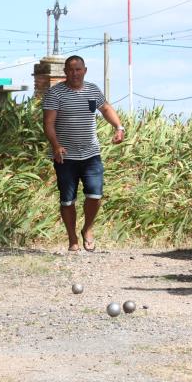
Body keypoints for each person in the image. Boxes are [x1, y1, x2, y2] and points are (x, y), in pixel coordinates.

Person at [42, 55, 125, 253]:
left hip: (91, 154)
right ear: (65, 72)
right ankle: (72, 239)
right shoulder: (55, 94)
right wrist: (55, 145)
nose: (74, 73)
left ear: (85, 70)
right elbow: (48, 123)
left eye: (78, 69)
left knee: (95, 195)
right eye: (70, 70)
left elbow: (105, 109)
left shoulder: (92, 90)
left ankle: (87, 229)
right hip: (65, 156)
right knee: (67, 200)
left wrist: (119, 127)